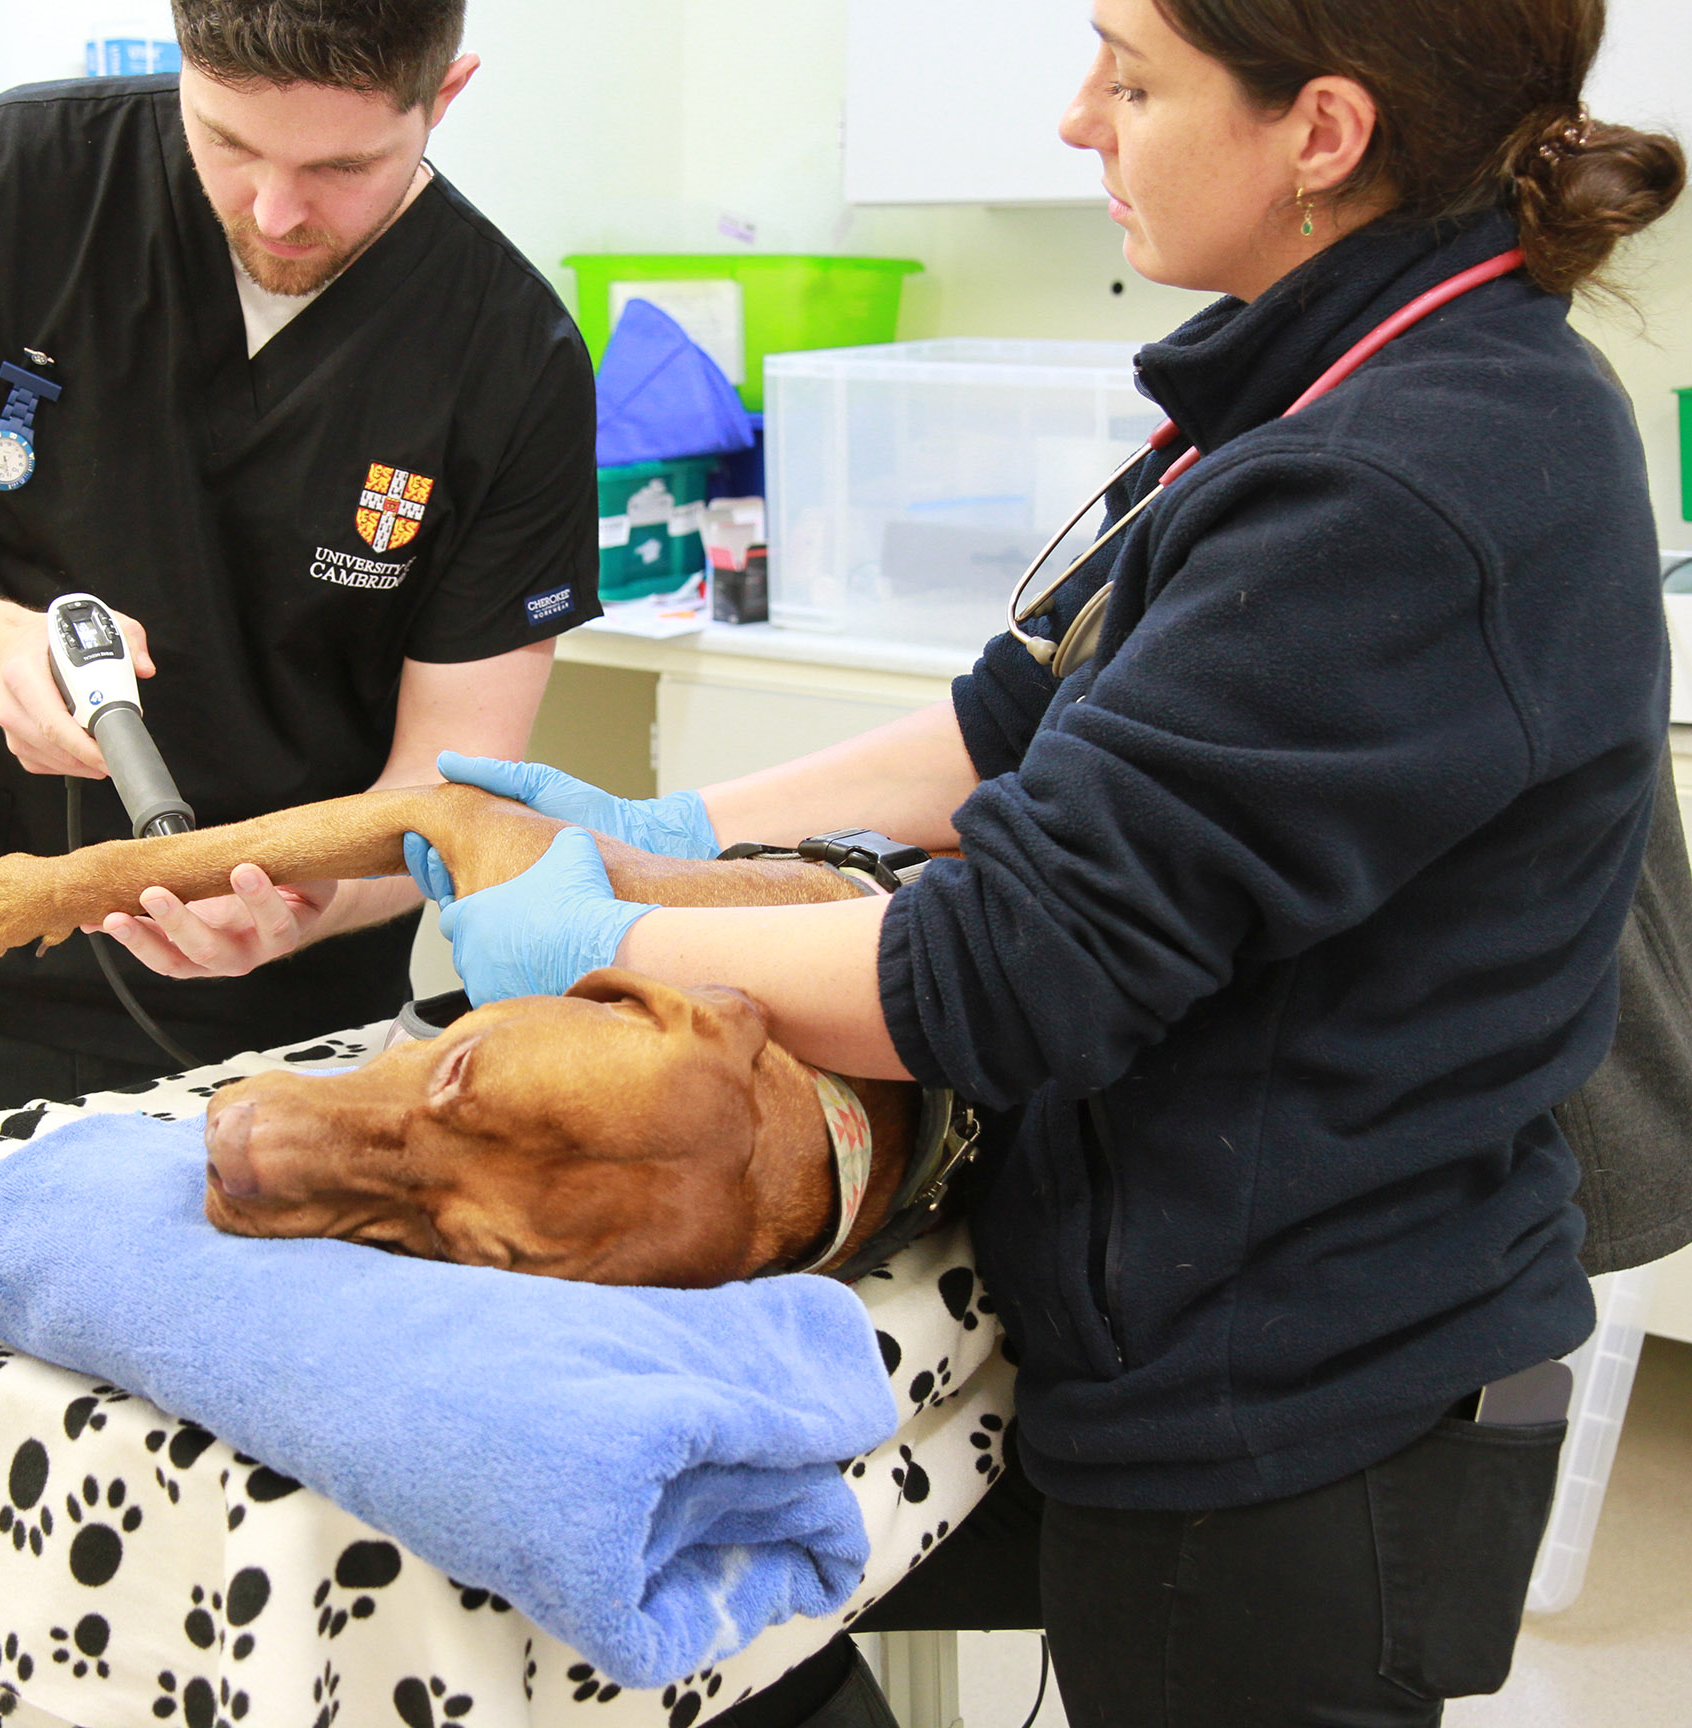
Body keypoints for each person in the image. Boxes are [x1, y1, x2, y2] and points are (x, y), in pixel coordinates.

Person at [410, 1, 1685, 1722]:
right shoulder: (1322, 376)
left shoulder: (1401, 476)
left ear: (1322, 132)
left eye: (1134, 76)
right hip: (1201, 1304)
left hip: (1293, 1399)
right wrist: (669, 834)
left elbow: (1000, 973)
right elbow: (1015, 713)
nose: (1079, 116)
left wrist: (595, 942)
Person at [0, 3, 597, 1723]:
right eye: (232, 146)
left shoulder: (502, 348)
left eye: (346, 166)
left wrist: (323, 897)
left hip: (289, 1039)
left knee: (239, 1514)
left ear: (451, 93)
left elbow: (454, 783)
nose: (282, 210)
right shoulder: (10, 186)